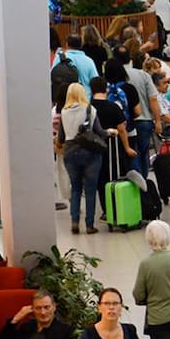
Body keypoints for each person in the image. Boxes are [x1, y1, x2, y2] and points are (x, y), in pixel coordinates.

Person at [55, 83, 111, 234]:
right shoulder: (90, 110)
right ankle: (89, 225)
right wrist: (110, 132)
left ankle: (74, 222)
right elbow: (100, 132)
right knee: (90, 190)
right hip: (90, 152)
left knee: (75, 188)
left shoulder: (64, 112)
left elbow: (61, 138)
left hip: (70, 153)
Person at [89, 75, 135, 213]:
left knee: (100, 180)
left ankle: (105, 209)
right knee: (114, 177)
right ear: (106, 89)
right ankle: (117, 207)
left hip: (94, 148)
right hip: (113, 148)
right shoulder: (113, 107)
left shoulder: (88, 108)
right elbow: (121, 129)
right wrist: (127, 147)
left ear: (91, 90)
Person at [126, 51, 162, 176]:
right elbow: (153, 99)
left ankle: (136, 179)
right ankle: (144, 179)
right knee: (143, 153)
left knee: (133, 152)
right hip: (145, 120)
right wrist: (158, 121)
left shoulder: (121, 74)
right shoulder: (144, 76)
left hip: (127, 122)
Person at [53, 33, 98, 99]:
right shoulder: (89, 61)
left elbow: (52, 76)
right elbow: (95, 82)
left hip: (65, 99)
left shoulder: (59, 58)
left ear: (67, 44)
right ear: (81, 44)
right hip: (84, 99)